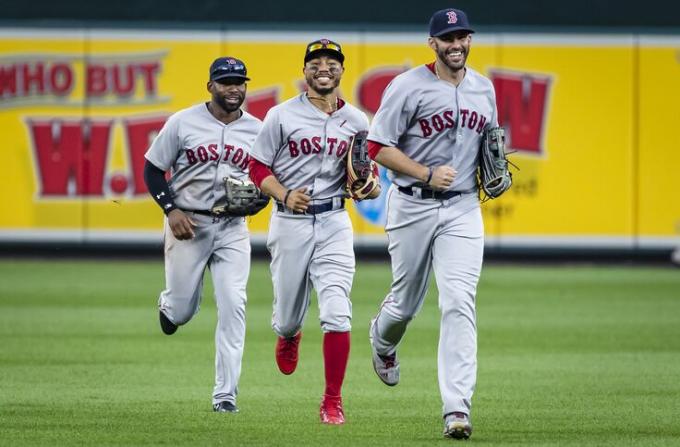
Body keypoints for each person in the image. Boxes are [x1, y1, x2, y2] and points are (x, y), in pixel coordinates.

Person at [366, 8, 497, 440]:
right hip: (411, 204)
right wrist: (423, 172)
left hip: (462, 208)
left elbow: (490, 143)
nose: (457, 44)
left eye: (463, 37)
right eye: (448, 38)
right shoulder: (407, 87)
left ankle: (456, 408)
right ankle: (383, 342)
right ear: (433, 43)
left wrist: (492, 169)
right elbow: (377, 146)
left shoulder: (484, 88)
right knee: (404, 305)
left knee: (459, 301)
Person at [247, 38, 380, 425]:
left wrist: (367, 184)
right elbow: (257, 167)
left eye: (332, 62)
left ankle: (332, 400)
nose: (325, 67)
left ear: (342, 70)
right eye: (316, 61)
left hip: (335, 221)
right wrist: (284, 194)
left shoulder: (357, 120)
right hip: (290, 223)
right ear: (304, 70)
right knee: (288, 317)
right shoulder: (281, 116)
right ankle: (289, 334)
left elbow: (363, 171)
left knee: (338, 312)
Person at [143, 56, 262, 413]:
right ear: (210, 86)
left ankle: (225, 395)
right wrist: (171, 209)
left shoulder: (258, 129)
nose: (233, 88)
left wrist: (259, 202)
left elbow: (267, 181)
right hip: (188, 226)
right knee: (181, 310)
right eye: (226, 82)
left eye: (239, 82)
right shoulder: (183, 122)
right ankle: (170, 306)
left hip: (232, 228)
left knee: (233, 304)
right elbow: (152, 169)